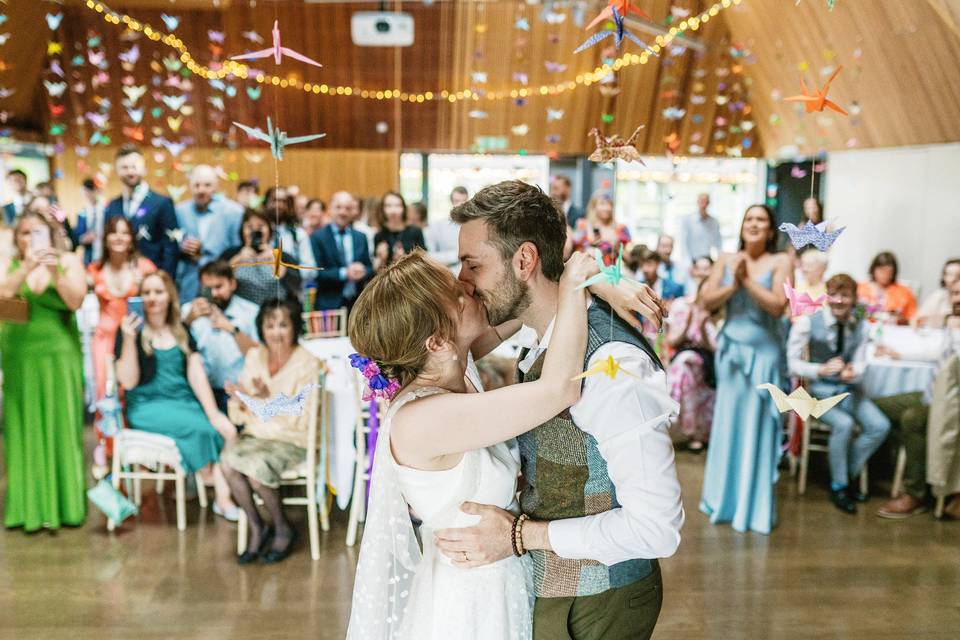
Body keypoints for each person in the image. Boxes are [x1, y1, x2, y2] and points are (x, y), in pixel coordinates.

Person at [434, 181, 680, 639]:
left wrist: (520, 537)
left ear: (524, 260)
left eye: (472, 264)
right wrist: (602, 279)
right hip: (550, 589)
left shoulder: (613, 368)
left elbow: (657, 529)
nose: (462, 281)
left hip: (602, 601)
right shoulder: (540, 331)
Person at [115, 271, 239, 520]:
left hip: (183, 402)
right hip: (147, 406)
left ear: (169, 296)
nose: (152, 298)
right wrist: (129, 340)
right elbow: (127, 382)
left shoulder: (181, 329)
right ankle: (216, 488)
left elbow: (196, 375)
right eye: (146, 292)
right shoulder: (132, 331)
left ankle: (218, 491)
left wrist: (213, 412)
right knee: (202, 430)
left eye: (158, 292)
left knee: (227, 429)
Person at [699, 204, 792, 534]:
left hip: (763, 357)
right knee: (728, 426)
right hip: (731, 354)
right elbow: (706, 301)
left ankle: (752, 509)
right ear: (742, 227)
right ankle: (723, 501)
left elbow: (780, 307)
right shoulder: (726, 259)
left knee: (756, 429)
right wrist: (733, 285)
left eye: (761, 220)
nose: (754, 224)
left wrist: (747, 281)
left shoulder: (781, 261)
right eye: (749, 219)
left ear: (770, 230)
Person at [1, 212, 87, 532]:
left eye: (37, 232)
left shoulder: (69, 262)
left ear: (50, 235)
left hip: (58, 354)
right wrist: (26, 266)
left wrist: (53, 270)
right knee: (22, 426)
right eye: (24, 233)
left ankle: (65, 506)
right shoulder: (8, 264)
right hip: (18, 353)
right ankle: (28, 508)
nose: (30, 239)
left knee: (60, 423)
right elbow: (2, 298)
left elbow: (76, 301)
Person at [222, 298, 324, 564]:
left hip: (291, 439)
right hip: (257, 436)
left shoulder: (308, 363)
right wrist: (245, 397)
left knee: (255, 473)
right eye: (270, 325)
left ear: (294, 327)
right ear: (261, 328)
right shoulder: (255, 356)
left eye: (283, 325)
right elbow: (238, 409)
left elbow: (301, 419)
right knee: (228, 466)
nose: (276, 332)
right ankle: (257, 526)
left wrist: (261, 400)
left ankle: (281, 527)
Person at [787, 274, 891, 513]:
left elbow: (862, 361)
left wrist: (854, 371)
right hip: (817, 395)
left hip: (848, 390)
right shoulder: (807, 322)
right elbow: (792, 365)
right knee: (843, 424)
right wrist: (820, 369)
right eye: (834, 295)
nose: (839, 301)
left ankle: (842, 469)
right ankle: (839, 485)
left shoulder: (860, 325)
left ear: (854, 299)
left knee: (879, 426)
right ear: (826, 296)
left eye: (846, 296)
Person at [873, 278, 960, 519]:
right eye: (954, 294)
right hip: (932, 396)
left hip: (951, 408)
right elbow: (934, 354)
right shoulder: (952, 326)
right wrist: (897, 352)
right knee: (877, 408)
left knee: (913, 419)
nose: (957, 299)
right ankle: (883, 472)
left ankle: (916, 493)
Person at [87, 216, 157, 442]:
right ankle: (107, 447)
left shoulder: (144, 267)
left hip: (133, 338)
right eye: (113, 232)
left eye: (124, 232)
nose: (119, 237)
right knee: (104, 393)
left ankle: (134, 446)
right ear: (105, 238)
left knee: (130, 392)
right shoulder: (94, 269)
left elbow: (159, 297)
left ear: (131, 238)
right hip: (103, 339)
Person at [183, 260, 260, 413]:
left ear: (232, 284)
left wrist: (232, 329)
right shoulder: (188, 311)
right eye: (207, 288)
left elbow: (259, 355)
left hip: (237, 392)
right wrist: (187, 322)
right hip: (199, 392)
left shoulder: (251, 312)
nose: (213, 294)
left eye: (218, 287)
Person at [104, 145, 180, 276]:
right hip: (121, 279)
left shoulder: (162, 203)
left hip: (153, 281)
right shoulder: (112, 205)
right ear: (117, 171)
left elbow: (171, 247)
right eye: (124, 167)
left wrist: (165, 281)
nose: (130, 172)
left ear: (144, 169)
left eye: (134, 166)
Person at [174, 165, 244, 302]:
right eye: (196, 185)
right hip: (188, 284)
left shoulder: (234, 212)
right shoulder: (179, 211)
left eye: (207, 185)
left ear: (216, 186)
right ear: (190, 186)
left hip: (220, 283)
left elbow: (238, 248)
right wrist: (182, 248)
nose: (201, 190)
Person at [665, 280, 718, 453]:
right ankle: (686, 427)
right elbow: (671, 340)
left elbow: (715, 348)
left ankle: (669, 413)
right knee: (684, 365)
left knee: (683, 366)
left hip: (708, 360)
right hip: (684, 356)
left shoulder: (717, 312)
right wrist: (687, 324)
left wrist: (702, 327)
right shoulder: (682, 305)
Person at [220, 209, 301, 306]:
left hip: (275, 309)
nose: (255, 231)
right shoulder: (230, 253)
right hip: (240, 310)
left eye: (260, 226)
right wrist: (237, 260)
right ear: (242, 230)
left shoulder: (282, 255)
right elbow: (217, 279)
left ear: (269, 230)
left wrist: (275, 261)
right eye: (250, 227)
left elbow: (296, 284)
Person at [309, 191, 372, 311]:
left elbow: (369, 268)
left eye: (347, 208)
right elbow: (317, 272)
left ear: (352, 211)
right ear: (330, 209)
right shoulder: (318, 237)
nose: (343, 212)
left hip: (357, 304)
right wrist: (345, 273)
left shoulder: (360, 237)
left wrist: (363, 271)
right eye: (338, 207)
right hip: (329, 304)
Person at [263, 186, 317, 285]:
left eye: (283, 202)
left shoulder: (298, 234)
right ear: (266, 203)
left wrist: (288, 272)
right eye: (275, 200)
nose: (278, 205)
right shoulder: (257, 232)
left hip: (291, 293)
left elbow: (310, 270)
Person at [371, 191, 426, 272]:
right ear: (382, 209)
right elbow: (376, 271)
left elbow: (424, 262)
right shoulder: (379, 235)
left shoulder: (415, 232)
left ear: (403, 208)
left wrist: (405, 259)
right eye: (388, 206)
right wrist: (380, 259)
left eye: (397, 205)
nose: (393, 210)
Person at [571, 190, 630, 265]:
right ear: (594, 206)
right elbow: (573, 252)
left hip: (610, 273)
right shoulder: (583, 225)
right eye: (602, 204)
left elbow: (629, 259)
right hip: (587, 271)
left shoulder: (620, 228)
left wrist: (617, 247)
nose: (607, 208)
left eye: (610, 204)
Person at [857, 251, 917, 324]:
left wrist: (901, 319)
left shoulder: (905, 292)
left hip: (894, 330)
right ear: (873, 269)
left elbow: (913, 318)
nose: (885, 275)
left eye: (889, 272)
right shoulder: (860, 288)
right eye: (882, 270)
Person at [423, 187, 466, 269]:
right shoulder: (437, 225)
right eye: (457, 201)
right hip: (445, 273)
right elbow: (429, 255)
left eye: (464, 201)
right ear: (451, 202)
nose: (460, 205)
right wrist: (457, 255)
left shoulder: (472, 226)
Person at [915, 258, 960, 328]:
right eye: (950, 274)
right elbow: (918, 319)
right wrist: (945, 320)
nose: (954, 279)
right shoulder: (939, 295)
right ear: (944, 277)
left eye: (958, 275)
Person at [73, 178, 107, 265]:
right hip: (89, 255)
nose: (87, 194)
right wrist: (82, 239)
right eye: (85, 192)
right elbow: (77, 236)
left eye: (89, 191)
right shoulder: (82, 213)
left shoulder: (107, 210)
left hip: (105, 252)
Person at [680, 193, 722, 265]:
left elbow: (718, 243)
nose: (703, 204)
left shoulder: (714, 222)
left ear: (709, 203)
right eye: (701, 201)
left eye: (706, 201)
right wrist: (687, 262)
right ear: (697, 202)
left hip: (708, 260)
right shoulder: (688, 220)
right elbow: (683, 242)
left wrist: (719, 261)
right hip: (692, 260)